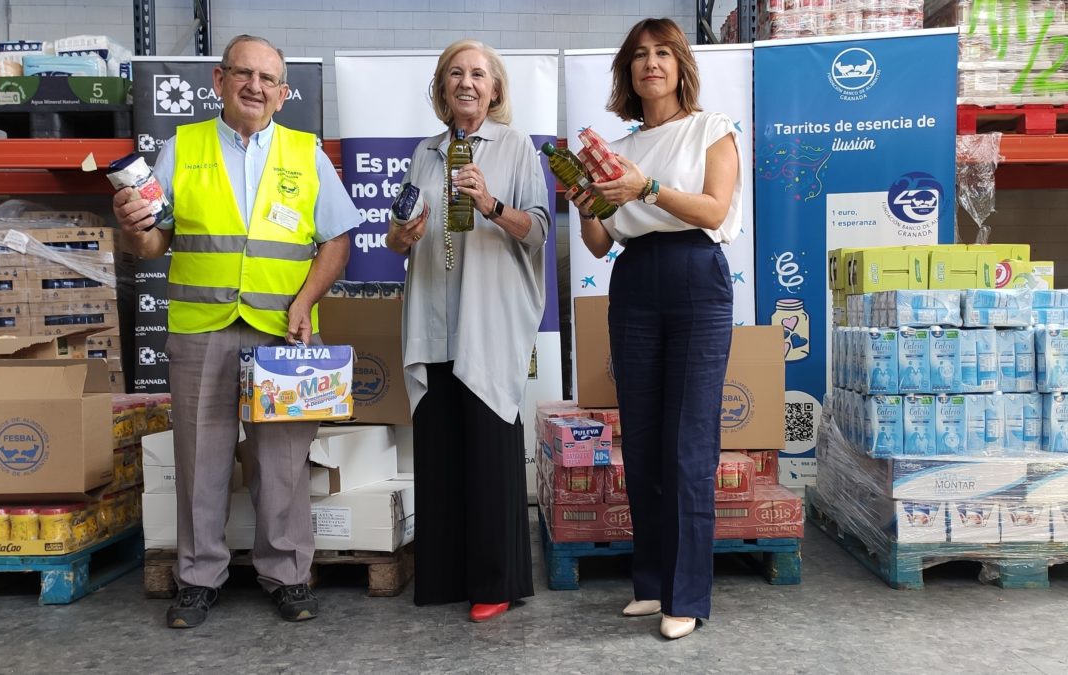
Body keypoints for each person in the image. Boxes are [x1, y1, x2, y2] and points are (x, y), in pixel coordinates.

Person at [112, 34, 361, 628]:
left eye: (268, 79)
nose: (255, 86)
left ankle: (289, 574)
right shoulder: (184, 146)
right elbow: (153, 241)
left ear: (282, 93)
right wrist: (131, 227)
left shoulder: (308, 153)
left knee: (283, 460)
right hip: (203, 329)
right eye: (243, 74)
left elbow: (338, 242)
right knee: (202, 458)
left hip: (284, 333)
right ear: (219, 82)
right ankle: (198, 579)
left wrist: (304, 302)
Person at [568, 18, 742, 639]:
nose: (651, 64)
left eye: (663, 52)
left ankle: (687, 595)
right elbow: (600, 243)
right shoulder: (621, 149)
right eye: (639, 55)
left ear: (680, 65)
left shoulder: (712, 129)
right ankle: (652, 583)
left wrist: (652, 188)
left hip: (696, 275)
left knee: (689, 447)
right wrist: (586, 205)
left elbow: (715, 210)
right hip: (635, 280)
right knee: (640, 444)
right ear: (628, 72)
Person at [385, 40, 548, 622]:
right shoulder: (425, 154)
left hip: (488, 320)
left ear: (495, 89)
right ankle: (446, 575)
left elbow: (538, 230)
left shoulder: (517, 147)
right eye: (455, 73)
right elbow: (397, 237)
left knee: (486, 450)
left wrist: (492, 204)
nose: (466, 82)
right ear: (441, 87)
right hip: (433, 317)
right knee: (440, 448)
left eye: (478, 74)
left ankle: (494, 581)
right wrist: (401, 235)